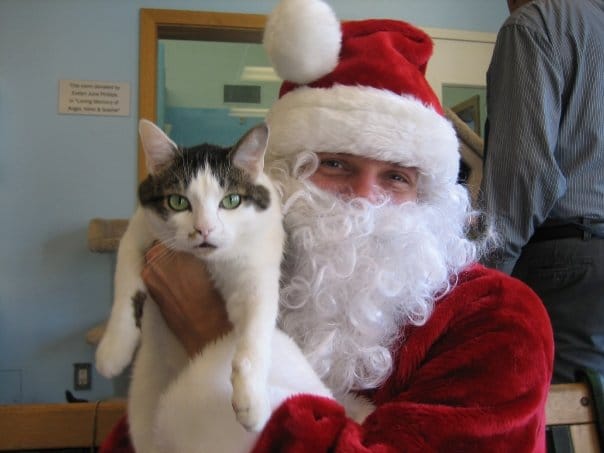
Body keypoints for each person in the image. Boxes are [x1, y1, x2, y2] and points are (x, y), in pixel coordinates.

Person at [101, 0, 553, 450]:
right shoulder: (220, 272)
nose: (364, 198)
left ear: (428, 195)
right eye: (335, 164)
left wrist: (217, 336)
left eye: (396, 176)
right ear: (276, 178)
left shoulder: (497, 319)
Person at [480, 0, 604, 383]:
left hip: (567, 267)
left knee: (558, 430)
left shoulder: (535, 24)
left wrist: (480, 281)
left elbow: (522, 173)